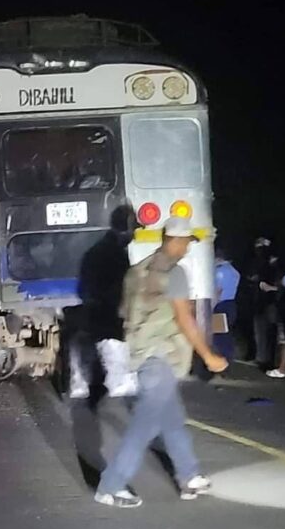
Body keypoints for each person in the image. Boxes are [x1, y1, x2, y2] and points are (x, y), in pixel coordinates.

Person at [94, 216, 228, 508]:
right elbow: (184, 318)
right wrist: (208, 356)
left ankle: (189, 476)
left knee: (172, 421)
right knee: (144, 425)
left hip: (142, 355)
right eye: (186, 243)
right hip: (162, 357)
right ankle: (111, 485)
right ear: (176, 241)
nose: (187, 249)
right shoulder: (174, 273)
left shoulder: (136, 272)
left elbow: (123, 313)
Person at [69, 205, 137, 398]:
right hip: (108, 312)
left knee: (90, 346)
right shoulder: (115, 253)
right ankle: (116, 382)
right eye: (134, 230)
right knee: (110, 346)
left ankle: (83, 383)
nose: (134, 235)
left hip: (96, 309)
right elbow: (119, 287)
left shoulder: (97, 250)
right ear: (127, 228)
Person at [246, 237, 280, 367]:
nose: (259, 251)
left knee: (270, 332)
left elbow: (279, 283)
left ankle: (268, 360)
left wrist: (270, 287)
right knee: (260, 330)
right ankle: (262, 357)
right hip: (260, 301)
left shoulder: (273, 264)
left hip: (271, 302)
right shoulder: (258, 263)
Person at [213, 243, 240, 362]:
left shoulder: (220, 271)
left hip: (220, 305)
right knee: (226, 333)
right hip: (231, 304)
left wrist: (212, 305)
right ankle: (228, 358)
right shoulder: (234, 271)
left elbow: (218, 290)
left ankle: (222, 361)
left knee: (219, 336)